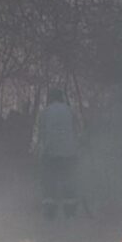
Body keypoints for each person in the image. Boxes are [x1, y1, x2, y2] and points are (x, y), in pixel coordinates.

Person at [35, 88, 78, 218]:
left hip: (50, 152)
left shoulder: (45, 112)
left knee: (49, 180)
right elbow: (76, 130)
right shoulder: (70, 111)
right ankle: (70, 210)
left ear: (50, 98)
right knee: (68, 179)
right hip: (69, 152)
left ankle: (50, 210)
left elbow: (41, 133)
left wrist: (39, 150)